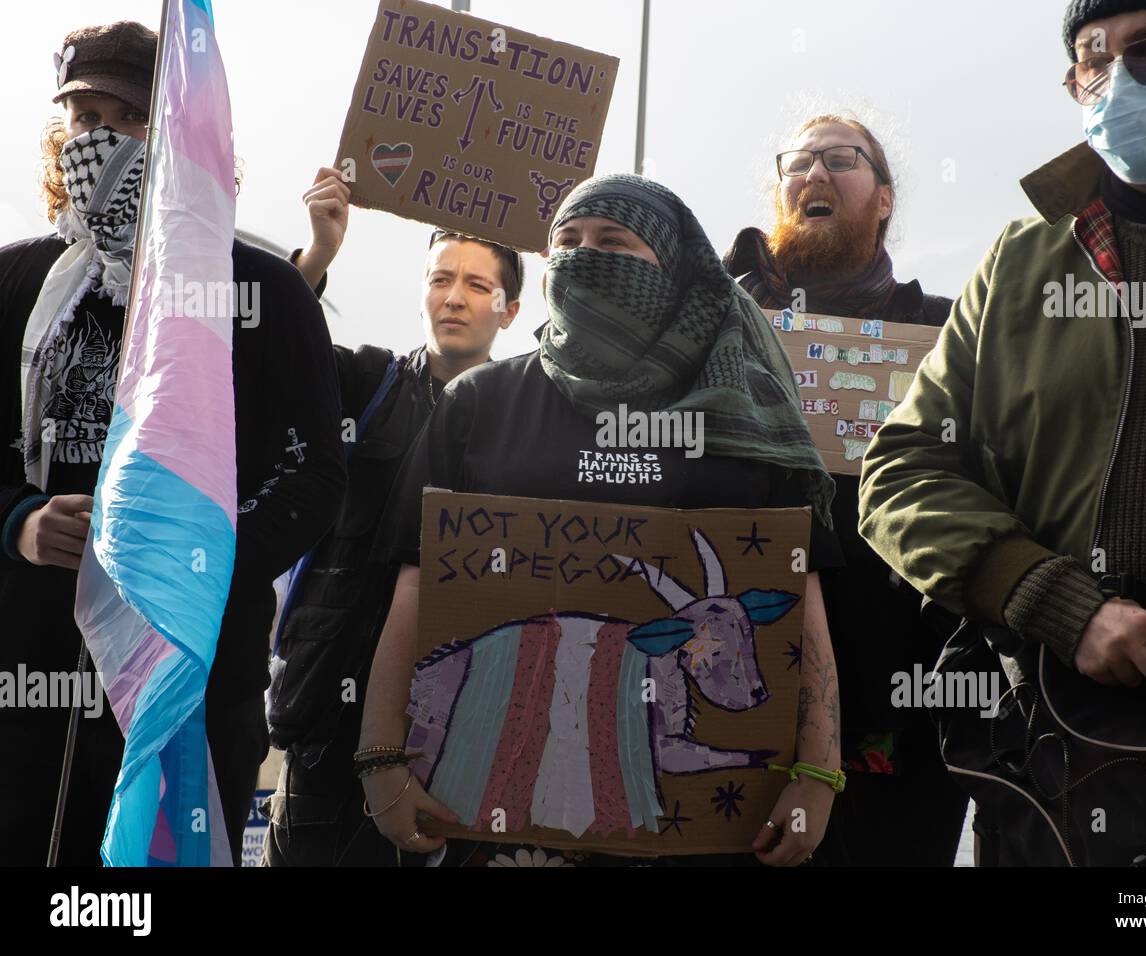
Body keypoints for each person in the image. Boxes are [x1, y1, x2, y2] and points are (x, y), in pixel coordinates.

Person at [859, 0, 1146, 866]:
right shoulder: (1023, 262)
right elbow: (902, 470)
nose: (1112, 77)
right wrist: (1051, 600)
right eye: (1090, 62)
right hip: (1066, 769)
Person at [360, 173, 845, 867]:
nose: (585, 255)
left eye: (614, 242)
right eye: (568, 241)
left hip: (704, 839)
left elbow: (803, 601)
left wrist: (819, 772)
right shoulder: (479, 403)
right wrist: (380, 757)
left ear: (674, 269)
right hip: (493, 808)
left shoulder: (746, 415)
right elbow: (416, 580)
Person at [0, 21, 345, 865]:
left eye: (130, 115)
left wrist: (195, 556)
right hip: (28, 670)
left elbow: (312, 475)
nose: (100, 136)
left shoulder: (263, 290)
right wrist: (19, 522)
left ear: (181, 131)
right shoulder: (10, 282)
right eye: (84, 116)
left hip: (189, 664)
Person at [723, 113, 968, 866]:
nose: (815, 176)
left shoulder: (949, 331)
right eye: (797, 163)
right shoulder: (716, 329)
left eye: (840, 159)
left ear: (885, 197)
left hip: (903, 711)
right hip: (731, 692)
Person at [263, 167, 522, 866]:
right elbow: (272, 360)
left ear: (511, 309)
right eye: (441, 279)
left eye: (476, 284)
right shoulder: (366, 383)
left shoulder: (529, 420)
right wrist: (316, 256)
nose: (455, 298)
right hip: (328, 724)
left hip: (466, 730)